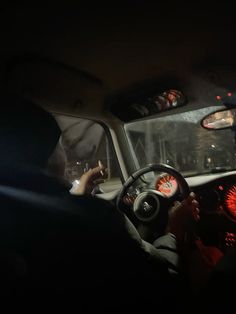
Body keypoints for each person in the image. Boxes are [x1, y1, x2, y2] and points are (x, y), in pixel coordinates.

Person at [0, 92, 199, 312]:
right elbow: (166, 283)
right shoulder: (97, 217)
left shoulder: (12, 217)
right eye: (59, 144)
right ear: (47, 152)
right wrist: (173, 233)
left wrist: (75, 198)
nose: (64, 152)